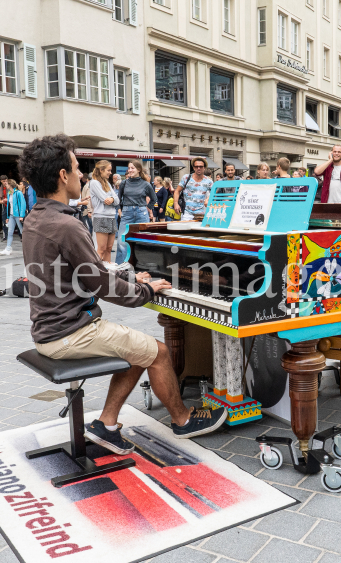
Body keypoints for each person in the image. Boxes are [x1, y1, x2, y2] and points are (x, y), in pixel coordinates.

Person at [18, 134, 227, 451]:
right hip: (72, 332)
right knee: (158, 352)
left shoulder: (36, 218)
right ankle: (184, 420)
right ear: (62, 176)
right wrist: (145, 289)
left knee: (135, 349)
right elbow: (102, 285)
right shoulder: (67, 225)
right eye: (76, 169)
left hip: (48, 330)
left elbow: (82, 272)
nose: (81, 175)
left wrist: (128, 275)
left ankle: (107, 423)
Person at [114, 160, 155, 263]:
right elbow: (118, 200)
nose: (130, 170)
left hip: (141, 213)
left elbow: (154, 199)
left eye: (132, 168)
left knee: (141, 242)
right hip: (127, 213)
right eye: (129, 168)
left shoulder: (146, 184)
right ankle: (120, 268)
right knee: (121, 241)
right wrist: (119, 211)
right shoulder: (124, 183)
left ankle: (140, 266)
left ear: (139, 170)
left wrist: (147, 208)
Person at [89, 161, 121, 262]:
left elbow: (117, 200)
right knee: (101, 249)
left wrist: (111, 199)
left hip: (111, 217)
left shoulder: (107, 183)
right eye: (109, 170)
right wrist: (112, 199)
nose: (110, 172)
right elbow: (105, 199)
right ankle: (96, 273)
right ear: (101, 170)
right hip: (101, 217)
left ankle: (108, 272)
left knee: (109, 249)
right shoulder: (94, 183)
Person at [0, 180, 27, 255]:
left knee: (22, 232)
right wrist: (8, 216)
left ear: (10, 185)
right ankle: (8, 249)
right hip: (12, 215)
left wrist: (21, 216)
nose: (6, 185)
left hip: (18, 215)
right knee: (10, 232)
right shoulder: (9, 194)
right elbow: (9, 206)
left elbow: (23, 204)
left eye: (7, 184)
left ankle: (28, 248)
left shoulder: (18, 193)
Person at [0, 175, 10, 241]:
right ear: (1, 181)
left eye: (6, 181)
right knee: (4, 220)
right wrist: (1, 201)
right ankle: (6, 236)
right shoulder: (0, 189)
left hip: (12, 206)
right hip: (5, 206)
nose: (5, 182)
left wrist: (8, 199)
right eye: (3, 181)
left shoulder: (11, 187)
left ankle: (21, 235)